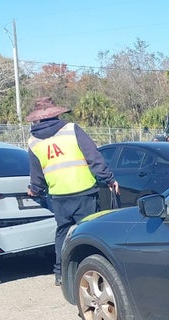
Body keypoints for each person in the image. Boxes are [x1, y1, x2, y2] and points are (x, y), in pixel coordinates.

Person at [26, 97, 119, 286]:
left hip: (59, 196)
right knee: (90, 232)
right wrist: (109, 178)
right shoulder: (71, 130)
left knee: (62, 233)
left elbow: (37, 175)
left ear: (37, 118)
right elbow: (94, 157)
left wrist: (34, 191)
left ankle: (60, 273)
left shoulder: (33, 142)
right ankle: (95, 271)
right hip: (83, 190)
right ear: (56, 113)